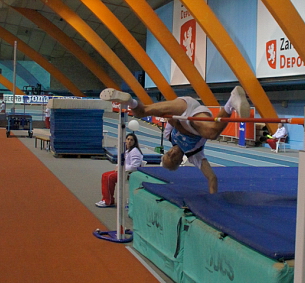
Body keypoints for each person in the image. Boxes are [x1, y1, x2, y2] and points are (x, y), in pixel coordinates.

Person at [100, 86, 250, 193]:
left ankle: (129, 101)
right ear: (179, 160)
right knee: (211, 133)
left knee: (142, 111)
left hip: (184, 107)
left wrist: (178, 125)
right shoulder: (194, 154)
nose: (171, 153)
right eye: (173, 157)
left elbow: (171, 119)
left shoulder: (168, 136)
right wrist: (213, 201)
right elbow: (212, 178)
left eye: (168, 154)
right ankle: (232, 100)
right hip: (196, 120)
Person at [96, 132, 144, 208]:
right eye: (128, 139)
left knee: (109, 177)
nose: (129, 141)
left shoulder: (135, 152)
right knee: (105, 175)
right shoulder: (127, 150)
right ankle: (106, 199)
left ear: (134, 142)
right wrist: (118, 166)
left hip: (129, 173)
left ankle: (108, 201)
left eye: (131, 140)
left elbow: (134, 167)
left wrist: (121, 168)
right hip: (123, 171)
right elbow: (123, 161)